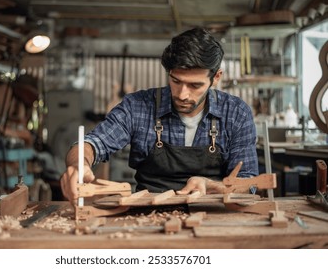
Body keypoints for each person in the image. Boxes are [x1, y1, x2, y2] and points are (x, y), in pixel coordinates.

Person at [60, 27, 259, 204]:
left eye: (195, 85)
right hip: (149, 215)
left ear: (216, 78)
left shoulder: (236, 113)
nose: (182, 94)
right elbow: (94, 143)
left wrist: (212, 185)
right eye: (176, 81)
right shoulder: (138, 106)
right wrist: (79, 165)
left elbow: (248, 182)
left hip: (215, 215)